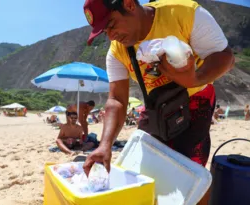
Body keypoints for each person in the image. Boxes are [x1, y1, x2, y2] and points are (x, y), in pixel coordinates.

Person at [82, 0, 235, 177]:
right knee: (147, 170)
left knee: (188, 172)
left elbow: (226, 58)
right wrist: (105, 145)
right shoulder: (117, 51)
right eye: (105, 32)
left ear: (129, 4)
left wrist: (194, 79)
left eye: (111, 25)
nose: (111, 36)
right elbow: (117, 100)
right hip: (157, 106)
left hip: (195, 97)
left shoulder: (183, 14)